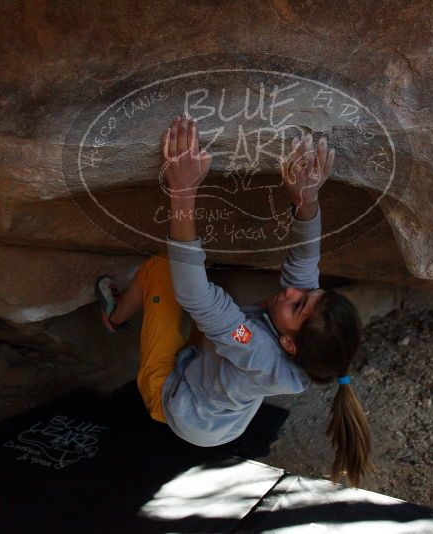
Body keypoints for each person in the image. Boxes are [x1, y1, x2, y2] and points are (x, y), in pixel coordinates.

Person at [96, 114, 372, 487]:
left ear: (289, 343)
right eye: (308, 294)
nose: (293, 291)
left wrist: (182, 191)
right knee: (211, 314)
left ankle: (112, 317)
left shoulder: (256, 349)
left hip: (180, 404)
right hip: (223, 406)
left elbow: (196, 296)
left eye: (297, 306)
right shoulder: (300, 344)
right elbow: (305, 264)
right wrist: (306, 201)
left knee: (163, 270)